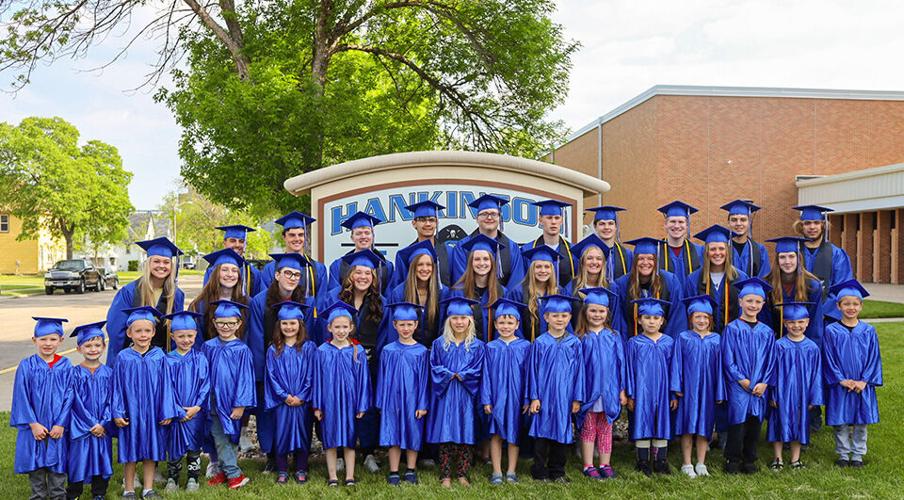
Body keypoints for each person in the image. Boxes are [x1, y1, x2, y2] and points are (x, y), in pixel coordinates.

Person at [248, 252, 319, 470]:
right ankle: (272, 456)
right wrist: (263, 374)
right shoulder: (260, 301)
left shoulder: (306, 302)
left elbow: (309, 335)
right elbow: (256, 336)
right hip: (271, 366)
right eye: (287, 273)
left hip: (298, 368)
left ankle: (300, 456)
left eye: (297, 274)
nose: (292, 277)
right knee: (270, 413)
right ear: (277, 275)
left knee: (300, 413)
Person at [112, 306, 180, 499]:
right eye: (138, 331)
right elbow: (116, 387)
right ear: (129, 333)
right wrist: (117, 411)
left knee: (151, 450)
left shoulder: (159, 356)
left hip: (153, 413)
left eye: (147, 331)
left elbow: (167, 385)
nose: (143, 335)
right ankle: (129, 489)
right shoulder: (123, 357)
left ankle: (148, 489)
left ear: (154, 332)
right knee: (130, 452)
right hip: (130, 413)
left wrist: (167, 411)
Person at [333, 249, 389, 472]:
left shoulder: (380, 302)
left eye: (368, 273)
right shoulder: (335, 298)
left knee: (368, 408)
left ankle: (368, 452)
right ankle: (338, 451)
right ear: (350, 275)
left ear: (373, 277)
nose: (363, 277)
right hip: (341, 364)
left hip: (370, 363)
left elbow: (385, 335)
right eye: (358, 272)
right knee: (340, 405)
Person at [822, 280, 883, 468]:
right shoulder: (831, 330)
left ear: (861, 306)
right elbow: (828, 358)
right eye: (846, 304)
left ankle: (857, 455)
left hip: (862, 385)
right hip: (841, 384)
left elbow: (874, 358)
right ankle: (842, 454)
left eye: (855, 304)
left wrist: (864, 381)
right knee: (840, 422)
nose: (851, 307)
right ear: (838, 306)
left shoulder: (868, 331)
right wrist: (841, 380)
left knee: (860, 421)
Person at [427, 297, 486, 488]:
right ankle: (445, 475)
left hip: (467, 396)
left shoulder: (478, 346)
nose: (459, 322)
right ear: (448, 320)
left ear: (470, 320)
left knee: (466, 433)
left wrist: (463, 375)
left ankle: (462, 474)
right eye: (454, 318)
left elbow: (479, 370)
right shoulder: (439, 344)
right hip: (445, 395)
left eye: (463, 318)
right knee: (445, 433)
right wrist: (448, 374)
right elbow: (434, 367)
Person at [11, 317, 72, 500]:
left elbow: (70, 396)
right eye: (43, 339)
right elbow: (21, 397)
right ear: (34, 340)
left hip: (57, 430)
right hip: (34, 429)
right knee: (37, 476)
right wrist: (33, 424)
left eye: (53, 339)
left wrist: (61, 424)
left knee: (58, 475)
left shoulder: (66, 365)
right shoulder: (26, 365)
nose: (48, 343)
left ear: (61, 340)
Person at [526, 294, 585, 482]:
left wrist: (577, 398)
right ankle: (539, 471)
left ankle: (558, 471)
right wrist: (534, 397)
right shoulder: (540, 342)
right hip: (543, 396)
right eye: (555, 315)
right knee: (541, 435)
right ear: (546, 317)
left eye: (564, 315)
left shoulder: (574, 343)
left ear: (569, 317)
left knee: (562, 433)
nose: (560, 319)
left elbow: (579, 372)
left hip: (564, 397)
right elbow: (532, 372)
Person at [312, 301, 372, 487]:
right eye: (336, 327)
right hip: (329, 402)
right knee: (330, 440)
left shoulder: (357, 351)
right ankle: (332, 477)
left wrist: (362, 404)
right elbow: (317, 380)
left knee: (350, 439)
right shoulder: (321, 351)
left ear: (351, 327)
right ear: (329, 327)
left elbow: (364, 380)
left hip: (350, 402)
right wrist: (317, 405)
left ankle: (350, 476)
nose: (340, 330)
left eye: (345, 326)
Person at [721, 277, 776, 474]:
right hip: (738, 384)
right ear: (741, 302)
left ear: (763, 304)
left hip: (760, 387)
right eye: (749, 301)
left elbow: (771, 361)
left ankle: (750, 459)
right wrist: (742, 380)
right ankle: (732, 459)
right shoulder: (732, 329)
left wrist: (764, 383)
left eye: (757, 301)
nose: (753, 305)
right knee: (737, 423)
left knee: (754, 423)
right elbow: (728, 360)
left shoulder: (767, 332)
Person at [106, 237, 185, 367]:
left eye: (166, 262)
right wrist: (122, 358)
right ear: (148, 263)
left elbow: (176, 330)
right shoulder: (129, 292)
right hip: (133, 360)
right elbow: (115, 329)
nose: (161, 266)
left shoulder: (176, 295)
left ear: (172, 266)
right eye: (156, 261)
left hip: (161, 361)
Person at [376, 302, 431, 486]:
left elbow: (424, 381)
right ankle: (393, 470)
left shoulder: (422, 351)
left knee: (413, 433)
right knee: (393, 434)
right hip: (391, 400)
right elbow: (382, 378)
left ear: (416, 325)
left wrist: (423, 404)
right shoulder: (387, 350)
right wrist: (381, 403)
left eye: (409, 324)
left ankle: (410, 468)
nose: (406, 328)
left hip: (413, 400)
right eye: (402, 324)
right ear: (394, 325)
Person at [670, 295, 724, 478]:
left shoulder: (716, 339)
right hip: (688, 390)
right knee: (687, 426)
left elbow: (720, 368)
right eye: (697, 317)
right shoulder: (683, 338)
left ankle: (701, 463)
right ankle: (686, 463)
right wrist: (677, 386)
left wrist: (719, 390)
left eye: (705, 317)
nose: (701, 320)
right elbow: (676, 363)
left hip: (708, 390)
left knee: (705, 426)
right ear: (690, 318)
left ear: (710, 320)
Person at [204, 300, 255, 490]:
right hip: (213, 402)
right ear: (215, 323)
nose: (226, 327)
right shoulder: (208, 347)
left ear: (239, 324)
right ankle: (230, 472)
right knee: (219, 437)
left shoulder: (242, 350)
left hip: (232, 404)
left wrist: (241, 405)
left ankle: (232, 474)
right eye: (222, 323)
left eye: (231, 323)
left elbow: (245, 379)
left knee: (230, 438)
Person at [574, 288, 625, 480]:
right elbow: (577, 369)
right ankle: (588, 465)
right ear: (585, 312)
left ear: (607, 313)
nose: (597, 315)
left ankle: (605, 463)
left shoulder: (614, 336)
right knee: (588, 428)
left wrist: (622, 389)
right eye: (593, 311)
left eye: (601, 311)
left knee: (606, 427)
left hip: (610, 391)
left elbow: (622, 365)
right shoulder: (580, 338)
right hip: (589, 391)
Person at [265, 301, 317, 484]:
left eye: (293, 323)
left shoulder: (309, 348)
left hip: (302, 402)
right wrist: (284, 396)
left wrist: (302, 396)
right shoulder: (273, 349)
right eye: (284, 323)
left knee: (303, 434)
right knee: (281, 434)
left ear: (300, 325)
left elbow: (312, 374)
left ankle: (301, 468)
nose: (289, 327)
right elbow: (271, 376)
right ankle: (282, 470)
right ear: (279, 325)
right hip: (283, 402)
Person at [479, 298, 530, 485]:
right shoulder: (490, 347)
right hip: (496, 397)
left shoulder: (525, 347)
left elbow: (530, 375)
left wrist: (527, 398)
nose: (506, 326)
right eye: (502, 322)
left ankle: (511, 471)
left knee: (514, 433)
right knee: (496, 433)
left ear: (517, 324)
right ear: (495, 324)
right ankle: (496, 471)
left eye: (510, 322)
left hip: (517, 398)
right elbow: (485, 375)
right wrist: (486, 400)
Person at [767, 302, 823, 471]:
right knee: (777, 424)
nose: (796, 326)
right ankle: (778, 459)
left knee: (800, 424)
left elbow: (816, 375)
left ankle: (795, 459)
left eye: (800, 322)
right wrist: (773, 395)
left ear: (807, 323)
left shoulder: (812, 348)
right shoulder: (778, 346)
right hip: (782, 394)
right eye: (791, 322)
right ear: (785, 324)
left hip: (803, 394)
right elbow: (772, 372)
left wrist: (815, 398)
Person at [625, 298, 675, 476]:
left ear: (662, 321)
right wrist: (630, 394)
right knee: (642, 421)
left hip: (663, 391)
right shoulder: (634, 343)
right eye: (647, 318)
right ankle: (643, 461)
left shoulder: (669, 342)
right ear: (639, 320)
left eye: (655, 318)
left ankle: (661, 461)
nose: (651, 321)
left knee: (662, 422)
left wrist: (673, 394)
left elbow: (674, 370)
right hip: (641, 391)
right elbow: (629, 370)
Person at [66, 321, 114, 500]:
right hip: (81, 428)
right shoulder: (74, 373)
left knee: (101, 459)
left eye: (97, 345)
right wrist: (91, 424)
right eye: (88, 345)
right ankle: (73, 493)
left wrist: (103, 423)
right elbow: (73, 402)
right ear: (79, 349)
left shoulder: (109, 373)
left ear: (103, 347)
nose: (93, 349)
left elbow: (113, 400)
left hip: (103, 428)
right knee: (78, 460)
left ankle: (99, 493)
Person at [162, 311, 209, 493]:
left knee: (194, 446)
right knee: (173, 447)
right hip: (175, 412)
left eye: (190, 336)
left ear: (196, 335)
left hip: (195, 412)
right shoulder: (167, 360)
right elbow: (165, 388)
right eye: (181, 336)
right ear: (173, 336)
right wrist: (177, 410)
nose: (186, 340)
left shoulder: (200, 359)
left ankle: (193, 478)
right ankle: (172, 478)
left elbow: (205, 385)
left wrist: (197, 407)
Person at [614, 237, 686, 340]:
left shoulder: (671, 282)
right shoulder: (622, 284)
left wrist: (667, 346)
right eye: (641, 258)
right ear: (635, 261)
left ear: (656, 261)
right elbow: (620, 322)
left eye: (650, 258)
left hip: (662, 348)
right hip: (632, 347)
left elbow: (677, 319)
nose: (645, 262)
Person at [451, 194, 525, 288]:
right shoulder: (462, 247)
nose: (489, 218)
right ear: (477, 219)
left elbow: (516, 284)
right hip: (470, 301)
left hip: (504, 301)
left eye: (493, 214)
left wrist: (503, 302)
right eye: (484, 214)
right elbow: (461, 282)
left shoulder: (512, 248)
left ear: (499, 218)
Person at [684, 225, 748, 333]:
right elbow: (688, 314)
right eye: (713, 249)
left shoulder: (740, 278)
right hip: (704, 341)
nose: (717, 253)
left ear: (727, 251)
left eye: (721, 248)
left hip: (733, 340)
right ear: (706, 252)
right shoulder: (693, 279)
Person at [792, 205, 853, 315]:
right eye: (807, 223)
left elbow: (842, 287)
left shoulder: (836, 254)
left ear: (823, 225)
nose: (812, 227)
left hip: (826, 315)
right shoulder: (792, 252)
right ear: (801, 226)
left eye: (816, 223)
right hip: (796, 315)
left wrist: (821, 311)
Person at [257, 212, 328, 305]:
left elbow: (321, 303)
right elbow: (265, 303)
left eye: (301, 234)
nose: (297, 239)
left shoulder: (319, 269)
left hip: (309, 318)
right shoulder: (270, 269)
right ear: (284, 237)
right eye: (292, 235)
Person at [762, 237, 823, 342]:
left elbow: (815, 323)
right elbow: (765, 322)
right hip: (776, 344)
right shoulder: (767, 285)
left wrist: (810, 350)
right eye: (782, 257)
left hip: (804, 346)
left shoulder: (812, 286)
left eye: (791, 256)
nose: (787, 261)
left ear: (798, 258)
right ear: (777, 260)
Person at [446, 234, 506, 342]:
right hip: (466, 352)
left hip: (493, 353)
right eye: (477, 259)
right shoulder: (458, 292)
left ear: (492, 262)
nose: (482, 263)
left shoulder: (501, 292)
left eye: (486, 259)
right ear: (471, 262)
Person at [388, 240, 445, 347]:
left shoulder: (442, 292)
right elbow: (393, 330)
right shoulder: (399, 293)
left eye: (428, 265)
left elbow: (444, 327)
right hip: (407, 354)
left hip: (435, 353)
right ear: (412, 267)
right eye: (420, 265)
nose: (425, 269)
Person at [506, 246, 565, 341]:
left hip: (552, 348)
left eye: (547, 267)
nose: (543, 270)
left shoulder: (559, 292)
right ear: (531, 269)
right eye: (538, 267)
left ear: (552, 269)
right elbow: (514, 324)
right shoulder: (518, 292)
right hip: (527, 348)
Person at [190, 248, 249, 340]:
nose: (230, 274)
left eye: (234, 270)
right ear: (215, 273)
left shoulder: (247, 303)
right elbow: (196, 339)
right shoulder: (198, 305)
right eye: (224, 270)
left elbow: (249, 336)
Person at [328, 211, 394, 294]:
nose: (363, 236)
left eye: (367, 233)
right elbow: (333, 297)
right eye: (358, 233)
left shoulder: (386, 266)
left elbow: (389, 296)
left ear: (373, 236)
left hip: (377, 306)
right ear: (352, 237)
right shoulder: (338, 265)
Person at [393, 200, 453, 287]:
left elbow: (457, 285)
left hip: (444, 299)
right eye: (422, 220)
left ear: (436, 223)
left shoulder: (450, 252)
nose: (428, 224)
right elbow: (398, 286)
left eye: (431, 220)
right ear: (414, 224)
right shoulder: (404, 255)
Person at [521, 200, 576, 289]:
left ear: (561, 221)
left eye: (557, 218)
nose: (553, 222)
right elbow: (522, 282)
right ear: (540, 220)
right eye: (549, 218)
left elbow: (577, 281)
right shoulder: (527, 250)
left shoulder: (572, 251)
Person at [204, 224, 261, 296]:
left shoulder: (254, 273)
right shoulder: (212, 269)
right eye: (232, 241)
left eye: (241, 241)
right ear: (224, 243)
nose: (237, 245)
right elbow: (206, 297)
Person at [721, 200, 770, 278]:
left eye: (743, 220)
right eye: (734, 220)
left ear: (749, 222)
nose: (738, 223)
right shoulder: (720, 250)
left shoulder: (760, 250)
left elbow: (764, 279)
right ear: (728, 223)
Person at [656, 201, 703, 281]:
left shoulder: (699, 251)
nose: (677, 226)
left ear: (687, 225)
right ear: (665, 225)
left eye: (681, 222)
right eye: (672, 221)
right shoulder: (656, 251)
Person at [585, 205, 633, 280]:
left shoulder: (627, 255)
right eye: (602, 224)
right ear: (595, 226)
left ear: (616, 226)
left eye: (610, 223)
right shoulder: (587, 253)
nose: (606, 227)